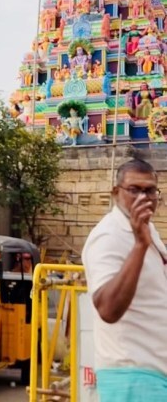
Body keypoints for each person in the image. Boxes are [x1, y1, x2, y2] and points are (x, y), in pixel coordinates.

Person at [82, 159, 167, 401]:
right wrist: (140, 246)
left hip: (153, 374)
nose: (143, 197)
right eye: (134, 190)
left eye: (150, 190)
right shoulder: (108, 236)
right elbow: (107, 309)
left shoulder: (146, 230)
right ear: (116, 193)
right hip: (132, 376)